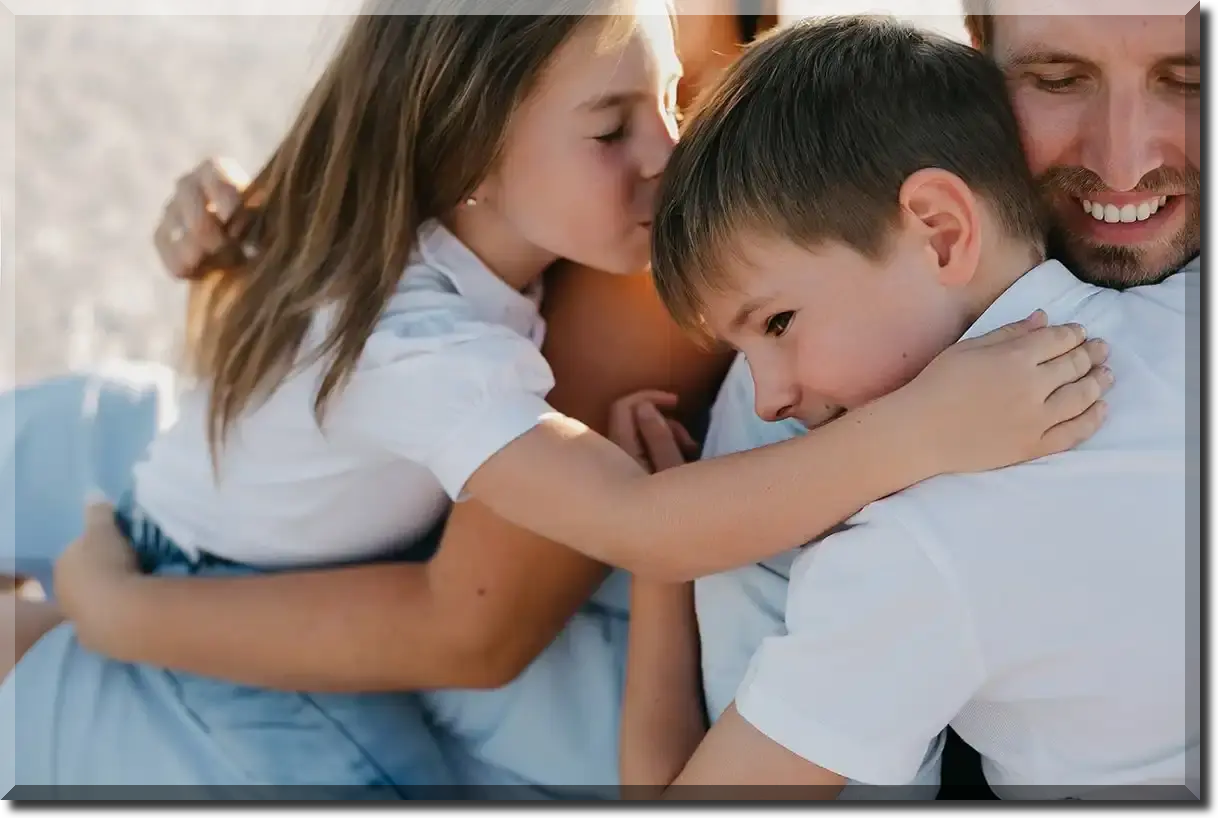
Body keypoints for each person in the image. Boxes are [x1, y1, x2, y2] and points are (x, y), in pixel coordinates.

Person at [0, 1, 1112, 794]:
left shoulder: (416, 228)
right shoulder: (421, 344)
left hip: (226, 534)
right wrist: (921, 427)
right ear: (471, 149)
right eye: (612, 125)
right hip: (229, 611)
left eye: (670, 100)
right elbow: (637, 525)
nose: (669, 152)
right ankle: (62, 643)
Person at [619, 15, 1194, 799]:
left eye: (778, 323)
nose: (770, 396)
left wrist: (659, 575)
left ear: (941, 230)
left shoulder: (907, 558)